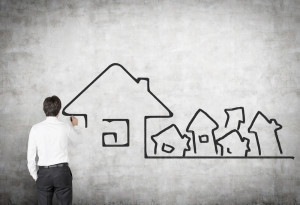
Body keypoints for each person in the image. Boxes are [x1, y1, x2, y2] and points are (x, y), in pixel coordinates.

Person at [27, 95, 78, 205]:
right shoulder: (65, 127)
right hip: (62, 172)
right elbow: (78, 141)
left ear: (44, 109)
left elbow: (30, 155)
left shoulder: (35, 128)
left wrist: (35, 176)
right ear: (59, 111)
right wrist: (75, 125)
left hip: (44, 173)